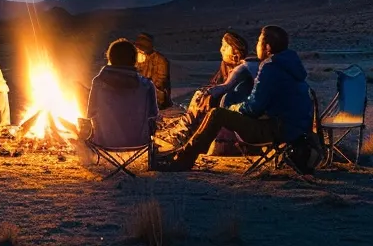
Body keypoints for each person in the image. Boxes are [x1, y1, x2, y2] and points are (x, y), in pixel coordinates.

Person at [160, 25, 312, 172]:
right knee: (219, 114)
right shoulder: (291, 66)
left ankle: (183, 159)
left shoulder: (270, 68)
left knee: (217, 114)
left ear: (267, 47)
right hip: (297, 130)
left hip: (278, 130)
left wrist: (232, 108)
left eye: (259, 41)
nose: (257, 45)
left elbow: (253, 108)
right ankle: (184, 154)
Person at [85, 39, 159, 155]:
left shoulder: (98, 83)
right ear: (134, 59)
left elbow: (90, 113)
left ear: (110, 57)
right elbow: (153, 114)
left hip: (104, 141)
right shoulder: (147, 85)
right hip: (139, 141)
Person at [186, 31, 258, 121]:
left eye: (226, 46)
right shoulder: (225, 66)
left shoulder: (244, 67)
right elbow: (216, 83)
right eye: (222, 46)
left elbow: (226, 86)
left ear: (236, 51)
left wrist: (208, 93)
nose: (222, 50)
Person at [134, 33, 172, 110]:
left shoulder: (161, 60)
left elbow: (161, 82)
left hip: (156, 96)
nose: (138, 50)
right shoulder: (137, 59)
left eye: (141, 47)